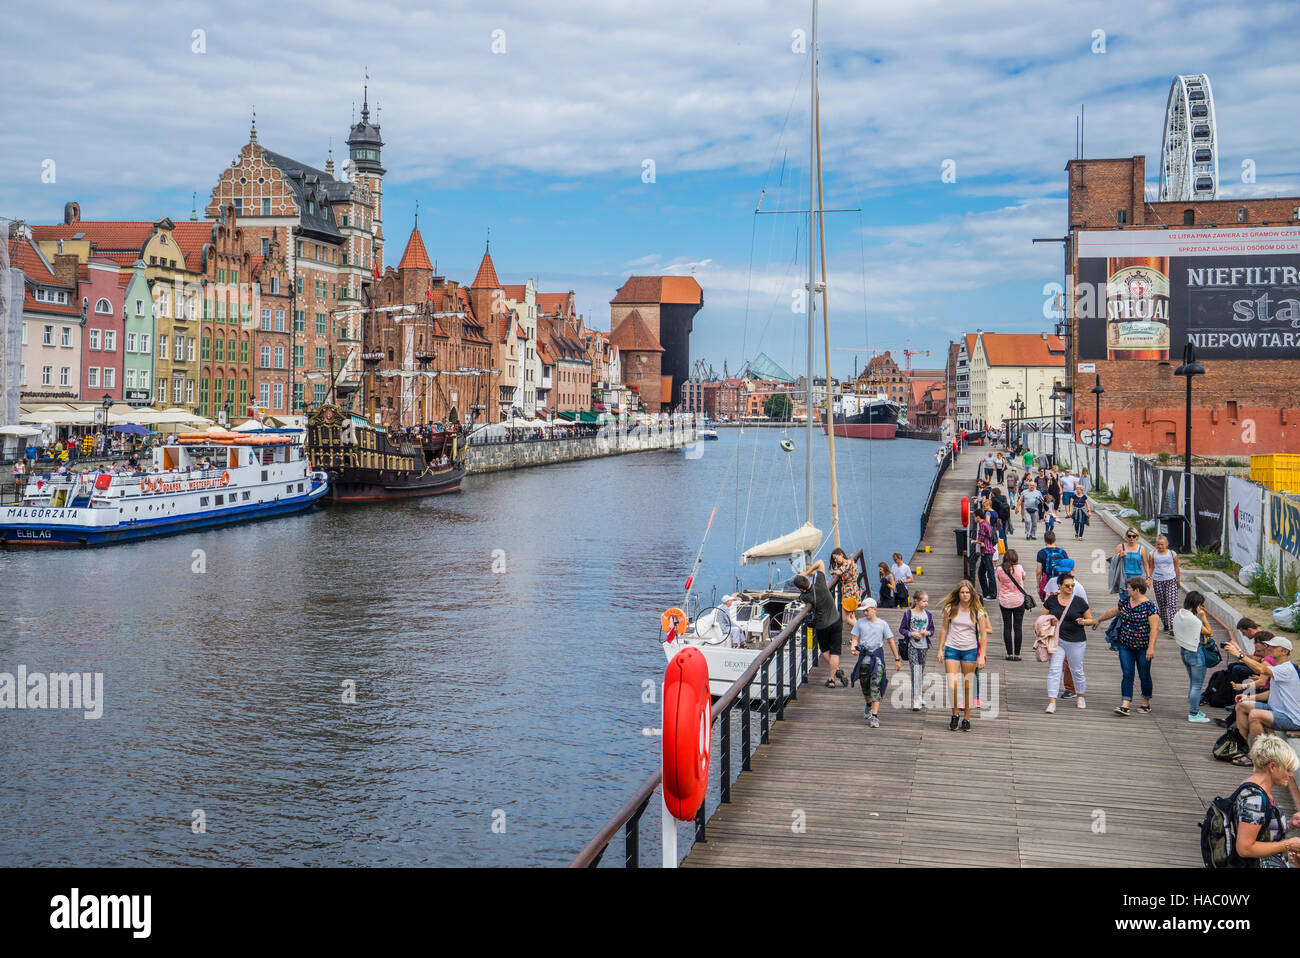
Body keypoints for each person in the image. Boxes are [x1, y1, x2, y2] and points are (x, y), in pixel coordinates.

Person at [1093, 577, 1160, 716]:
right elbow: (1112, 611)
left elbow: (1154, 629)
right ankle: (1125, 704)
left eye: (1129, 587)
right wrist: (1099, 619)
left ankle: (1146, 702)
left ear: (1136, 590)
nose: (1126, 589)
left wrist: (1151, 648)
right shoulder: (1125, 602)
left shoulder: (1150, 607)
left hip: (1143, 646)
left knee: (1144, 675)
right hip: (1126, 644)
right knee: (1127, 674)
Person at [1230, 735, 1300, 867]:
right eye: (1288, 769)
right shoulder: (1254, 799)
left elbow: (1260, 830)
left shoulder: (1253, 787)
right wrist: (1288, 845)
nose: (1291, 775)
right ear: (1272, 766)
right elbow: (1244, 848)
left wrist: (1290, 824)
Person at [1227, 635, 1300, 754]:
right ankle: (1241, 747)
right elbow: (1271, 693)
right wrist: (1248, 697)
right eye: (1269, 646)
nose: (1269, 648)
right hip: (1276, 709)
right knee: (1242, 705)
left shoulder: (1286, 669)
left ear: (1285, 651)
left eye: (1273, 647)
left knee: (1255, 715)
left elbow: (1261, 670)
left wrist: (1239, 655)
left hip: (1291, 718)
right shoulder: (1279, 668)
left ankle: (1257, 755)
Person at [936, 580, 990, 732]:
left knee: (968, 686)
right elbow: (944, 629)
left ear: (971, 594)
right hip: (952, 648)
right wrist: (940, 649)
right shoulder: (950, 608)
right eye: (962, 592)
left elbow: (984, 635)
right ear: (958, 594)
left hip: (970, 650)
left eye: (967, 592)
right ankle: (954, 714)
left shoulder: (977, 611)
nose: (965, 595)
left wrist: (982, 656)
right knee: (952, 684)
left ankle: (966, 718)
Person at [1044, 572, 1094, 712]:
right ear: (1059, 585)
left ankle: (1080, 696)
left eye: (1072, 585)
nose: (1071, 588)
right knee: (1054, 670)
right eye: (1067, 586)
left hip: (1077, 640)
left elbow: (1091, 620)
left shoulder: (1079, 601)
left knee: (1077, 669)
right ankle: (1052, 701)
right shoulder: (1052, 600)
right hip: (1057, 639)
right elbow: (1042, 617)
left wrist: (1083, 621)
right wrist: (1050, 620)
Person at [848, 598, 900, 728]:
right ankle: (868, 704)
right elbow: (855, 638)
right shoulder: (860, 623)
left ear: (874, 609)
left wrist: (897, 658)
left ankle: (875, 716)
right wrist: (853, 647)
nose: (865, 613)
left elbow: (891, 641)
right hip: (864, 657)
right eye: (863, 611)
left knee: (875, 685)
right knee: (865, 685)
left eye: (867, 610)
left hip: (877, 658)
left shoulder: (883, 624)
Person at [795, 559, 844, 688]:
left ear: (801, 589)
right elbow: (821, 563)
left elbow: (802, 596)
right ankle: (832, 678)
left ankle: (837, 670)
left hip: (823, 626)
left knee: (825, 650)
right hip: (836, 620)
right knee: (835, 652)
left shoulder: (805, 597)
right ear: (807, 581)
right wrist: (806, 572)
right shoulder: (821, 583)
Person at [1174, 591, 1214, 723]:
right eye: (1201, 605)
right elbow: (1209, 632)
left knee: (1193, 682)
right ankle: (1193, 713)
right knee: (1197, 685)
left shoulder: (1179, 615)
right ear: (1197, 604)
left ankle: (1195, 708)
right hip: (1195, 653)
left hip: (1184, 651)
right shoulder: (1195, 620)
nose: (1202, 608)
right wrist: (1203, 617)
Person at [901, 590, 935, 711]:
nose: (926, 603)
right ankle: (916, 699)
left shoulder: (929, 615)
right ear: (916, 601)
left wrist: (928, 632)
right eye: (923, 601)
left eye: (927, 601)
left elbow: (932, 630)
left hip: (924, 645)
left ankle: (920, 695)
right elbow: (902, 629)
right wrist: (911, 634)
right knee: (915, 670)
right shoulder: (908, 614)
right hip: (912, 645)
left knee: (920, 671)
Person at [995, 548, 1029, 659]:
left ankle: (1009, 653)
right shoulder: (1019, 568)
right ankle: (1017, 654)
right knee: (1018, 627)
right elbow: (1024, 577)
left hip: (1005, 600)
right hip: (1019, 600)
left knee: (1007, 626)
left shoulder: (1000, 569)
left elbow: (1000, 579)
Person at [1150, 534, 1181, 633]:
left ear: (1166, 544)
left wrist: (1178, 580)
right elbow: (1151, 567)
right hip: (1158, 581)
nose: (1160, 546)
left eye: (1162, 544)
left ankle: (1173, 625)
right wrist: (1148, 578)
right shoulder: (1153, 554)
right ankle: (1166, 624)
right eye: (1158, 544)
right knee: (1162, 604)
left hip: (1171, 579)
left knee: (1171, 603)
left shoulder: (1172, 554)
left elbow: (1176, 567)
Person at [1035, 530, 1068, 600]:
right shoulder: (1063, 552)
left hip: (1048, 581)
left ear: (1044, 540)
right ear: (1055, 540)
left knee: (1047, 600)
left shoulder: (1041, 553)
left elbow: (1038, 572)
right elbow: (1067, 569)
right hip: (1060, 581)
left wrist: (1038, 585)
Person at [975, 513, 998, 601]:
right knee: (981, 573)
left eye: (974, 517)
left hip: (986, 552)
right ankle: (986, 593)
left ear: (978, 517)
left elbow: (980, 539)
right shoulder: (986, 524)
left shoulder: (982, 525)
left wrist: (974, 541)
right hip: (988, 551)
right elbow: (990, 536)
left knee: (990, 573)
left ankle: (992, 594)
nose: (974, 518)